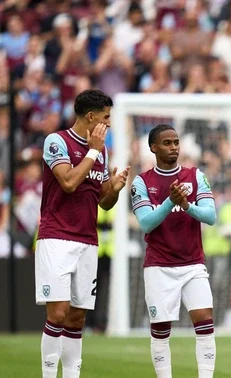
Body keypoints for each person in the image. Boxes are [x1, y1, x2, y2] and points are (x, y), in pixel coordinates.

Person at [37, 89, 130, 378]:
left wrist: (113, 188)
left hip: (87, 240)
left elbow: (102, 201)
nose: (109, 123)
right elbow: (67, 182)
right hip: (56, 238)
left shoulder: (100, 151)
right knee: (58, 314)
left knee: (77, 319)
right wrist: (92, 151)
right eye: (106, 117)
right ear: (90, 117)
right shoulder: (57, 141)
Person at [130, 124, 218, 378]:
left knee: (204, 322)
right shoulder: (142, 181)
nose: (173, 147)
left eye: (176, 142)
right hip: (159, 264)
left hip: (192, 263)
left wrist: (186, 205)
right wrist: (171, 201)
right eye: (167, 143)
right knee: (160, 328)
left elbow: (210, 216)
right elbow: (146, 222)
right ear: (153, 147)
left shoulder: (196, 176)